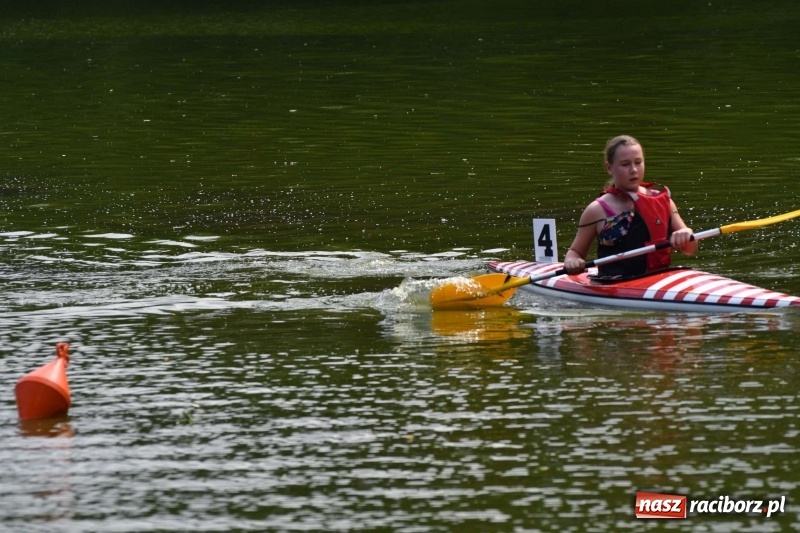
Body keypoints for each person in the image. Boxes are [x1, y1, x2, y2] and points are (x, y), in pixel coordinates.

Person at [563, 135, 697, 279]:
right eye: (625, 164)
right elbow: (575, 252)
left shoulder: (664, 201)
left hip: (659, 280)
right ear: (609, 168)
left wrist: (687, 234)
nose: (633, 170)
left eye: (638, 162)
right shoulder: (597, 210)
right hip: (614, 285)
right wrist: (572, 261)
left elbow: (690, 250)